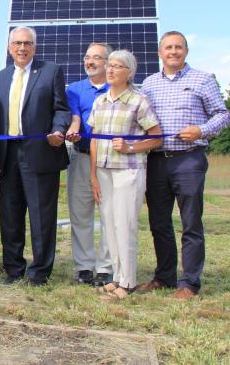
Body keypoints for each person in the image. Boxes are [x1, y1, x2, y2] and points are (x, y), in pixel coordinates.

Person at [139, 31, 230, 299]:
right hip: (156, 161)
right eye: (168, 47)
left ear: (186, 52)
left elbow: (223, 114)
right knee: (159, 222)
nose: (173, 51)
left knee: (190, 222)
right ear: (159, 53)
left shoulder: (203, 80)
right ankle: (164, 277)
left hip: (188, 159)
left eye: (178, 47)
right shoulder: (149, 83)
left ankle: (189, 282)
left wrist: (201, 130)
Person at [0, 26, 71, 286]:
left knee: (41, 217)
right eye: (17, 43)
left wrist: (58, 130)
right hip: (7, 155)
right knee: (10, 216)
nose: (22, 48)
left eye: (27, 43)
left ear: (35, 47)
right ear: (9, 47)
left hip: (40, 152)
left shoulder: (50, 72)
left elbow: (61, 109)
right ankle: (14, 270)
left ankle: (39, 273)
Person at [88, 50, 162, 300]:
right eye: (109, 65)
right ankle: (117, 277)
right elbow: (94, 140)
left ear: (129, 72)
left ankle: (128, 282)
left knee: (125, 225)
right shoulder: (100, 101)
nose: (110, 69)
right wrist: (93, 175)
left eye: (117, 66)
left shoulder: (138, 100)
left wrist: (131, 146)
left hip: (128, 172)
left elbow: (156, 137)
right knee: (110, 225)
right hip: (104, 171)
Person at [65, 43, 113, 287]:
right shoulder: (73, 90)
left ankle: (106, 268)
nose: (90, 62)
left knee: (108, 214)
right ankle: (84, 266)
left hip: (110, 160)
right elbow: (73, 119)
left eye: (96, 58)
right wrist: (72, 131)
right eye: (87, 57)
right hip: (81, 157)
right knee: (80, 213)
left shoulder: (117, 89)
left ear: (107, 62)